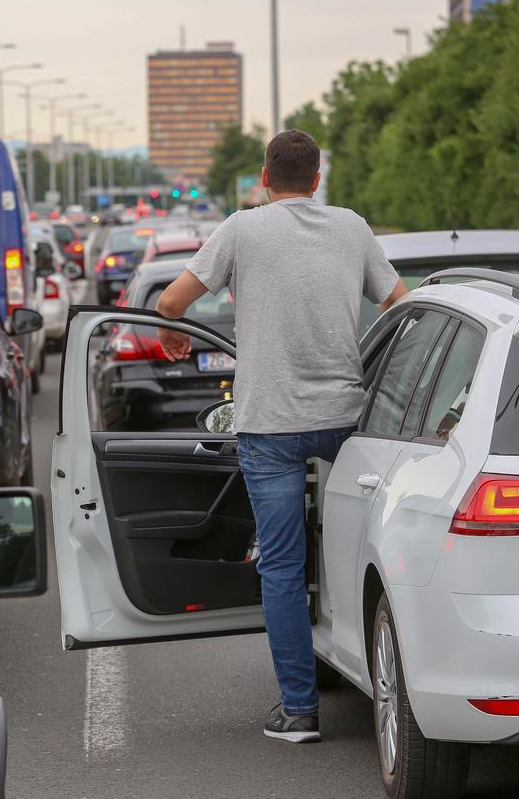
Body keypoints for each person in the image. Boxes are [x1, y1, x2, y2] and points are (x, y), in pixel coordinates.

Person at [154, 130, 407, 743]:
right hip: (346, 421)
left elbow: (170, 300)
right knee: (367, 550)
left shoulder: (241, 228)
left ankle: (299, 711)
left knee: (284, 568)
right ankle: (368, 663)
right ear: (317, 179)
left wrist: (174, 330)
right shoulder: (350, 227)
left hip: (268, 424)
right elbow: (400, 303)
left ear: (264, 178)